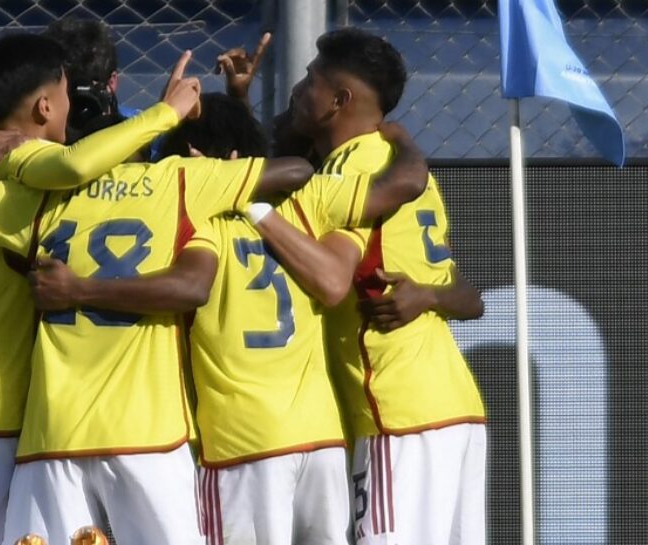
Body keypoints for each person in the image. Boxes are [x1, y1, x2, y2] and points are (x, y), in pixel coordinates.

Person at [0, 33, 320, 545]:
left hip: (40, 432)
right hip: (135, 431)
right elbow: (293, 172)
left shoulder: (26, 196)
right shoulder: (173, 181)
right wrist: (181, 126)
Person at [30, 92, 430, 545]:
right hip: (320, 438)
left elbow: (187, 286)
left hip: (240, 445)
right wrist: (398, 135)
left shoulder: (196, 224)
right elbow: (402, 182)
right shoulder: (308, 205)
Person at [287, 28, 486, 545]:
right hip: (455, 410)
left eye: (310, 79)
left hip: (396, 411)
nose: (299, 88)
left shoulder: (351, 177)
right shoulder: (403, 165)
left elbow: (331, 278)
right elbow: (469, 295)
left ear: (338, 100)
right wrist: (430, 296)